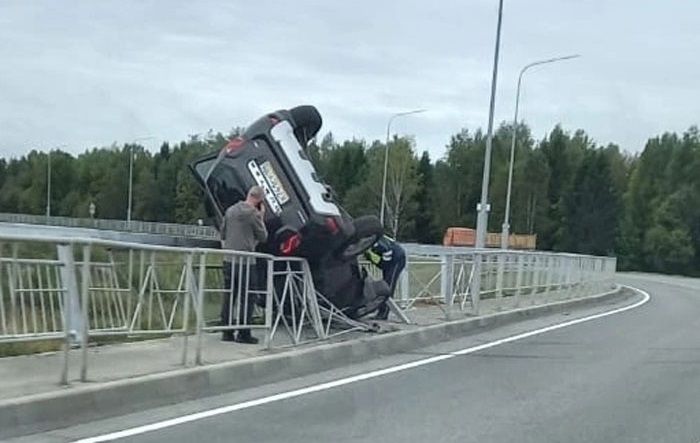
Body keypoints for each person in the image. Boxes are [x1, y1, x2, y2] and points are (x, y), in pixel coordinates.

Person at [220, 185, 268, 344]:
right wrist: (261, 217)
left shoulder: (230, 210)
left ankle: (226, 332)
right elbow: (263, 237)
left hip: (228, 259)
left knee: (229, 295)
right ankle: (243, 333)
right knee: (248, 296)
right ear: (260, 200)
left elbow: (223, 233)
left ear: (248, 194)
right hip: (246, 261)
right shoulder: (253, 214)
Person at [364, 235, 406, 320]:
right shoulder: (373, 241)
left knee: (388, 285)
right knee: (385, 283)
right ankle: (381, 311)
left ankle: (384, 313)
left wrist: (371, 258)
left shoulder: (381, 246)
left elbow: (385, 264)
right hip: (390, 258)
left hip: (397, 259)